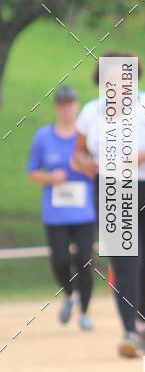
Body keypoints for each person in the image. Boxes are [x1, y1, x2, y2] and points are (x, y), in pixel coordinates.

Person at [72, 52, 145, 358]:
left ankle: (142, 322)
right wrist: (88, 164)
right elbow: (77, 155)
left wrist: (142, 157)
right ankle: (129, 333)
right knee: (124, 263)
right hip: (112, 189)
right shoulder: (90, 112)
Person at [27, 85, 96, 330]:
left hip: (85, 210)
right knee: (60, 260)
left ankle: (85, 312)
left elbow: (103, 168)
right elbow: (32, 172)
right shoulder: (43, 137)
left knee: (85, 260)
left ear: (77, 106)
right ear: (58, 107)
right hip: (55, 212)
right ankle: (70, 294)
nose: (67, 108)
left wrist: (85, 168)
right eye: (63, 104)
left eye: (71, 103)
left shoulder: (87, 136)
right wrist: (50, 178)